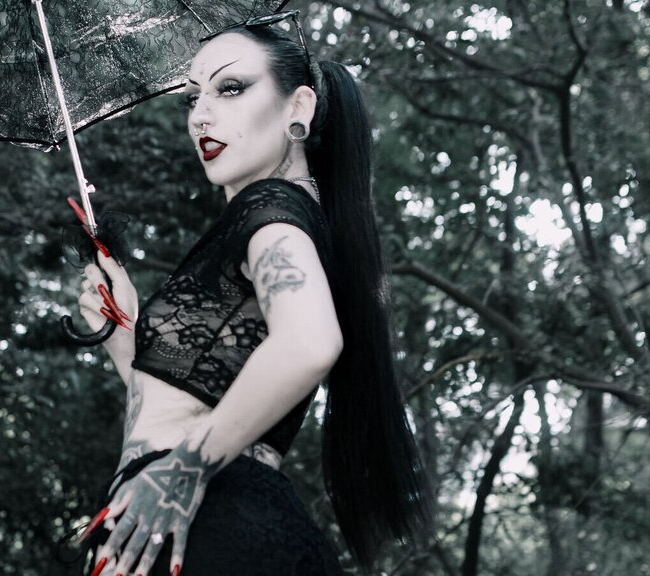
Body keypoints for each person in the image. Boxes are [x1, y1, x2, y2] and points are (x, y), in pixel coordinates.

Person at [71, 11, 432, 576]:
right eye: (192, 98)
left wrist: (183, 471)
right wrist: (126, 334)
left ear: (298, 108)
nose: (200, 115)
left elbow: (309, 343)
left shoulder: (270, 209)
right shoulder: (274, 219)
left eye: (231, 88)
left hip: (209, 520)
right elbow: (184, 404)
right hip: (194, 521)